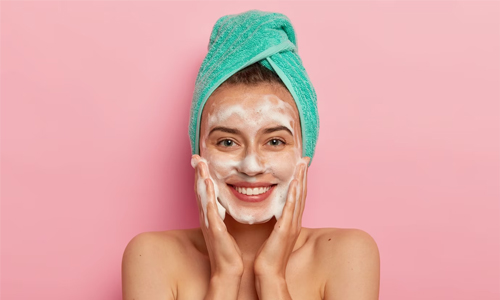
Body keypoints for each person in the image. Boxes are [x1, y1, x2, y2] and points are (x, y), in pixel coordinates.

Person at [122, 10, 380, 300]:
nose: (251, 165)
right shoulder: (152, 257)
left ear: (304, 152)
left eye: (274, 141)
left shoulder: (347, 255)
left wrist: (272, 277)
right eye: (228, 142)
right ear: (199, 153)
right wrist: (224, 276)